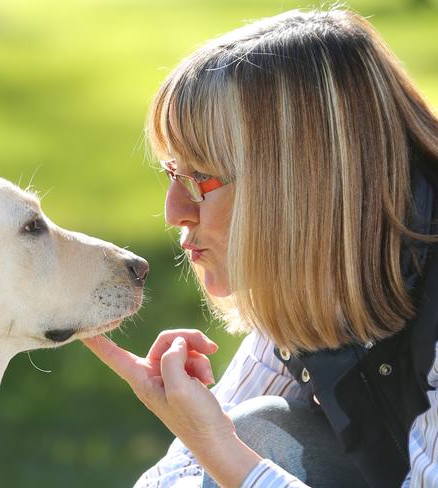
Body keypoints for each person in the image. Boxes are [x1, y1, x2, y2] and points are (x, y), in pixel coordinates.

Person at [82, 8, 438, 488]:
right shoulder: (324, 262)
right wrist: (208, 441)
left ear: (297, 183)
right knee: (261, 430)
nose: (173, 211)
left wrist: (217, 446)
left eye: (198, 178)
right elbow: (171, 478)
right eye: (173, 176)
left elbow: (224, 454)